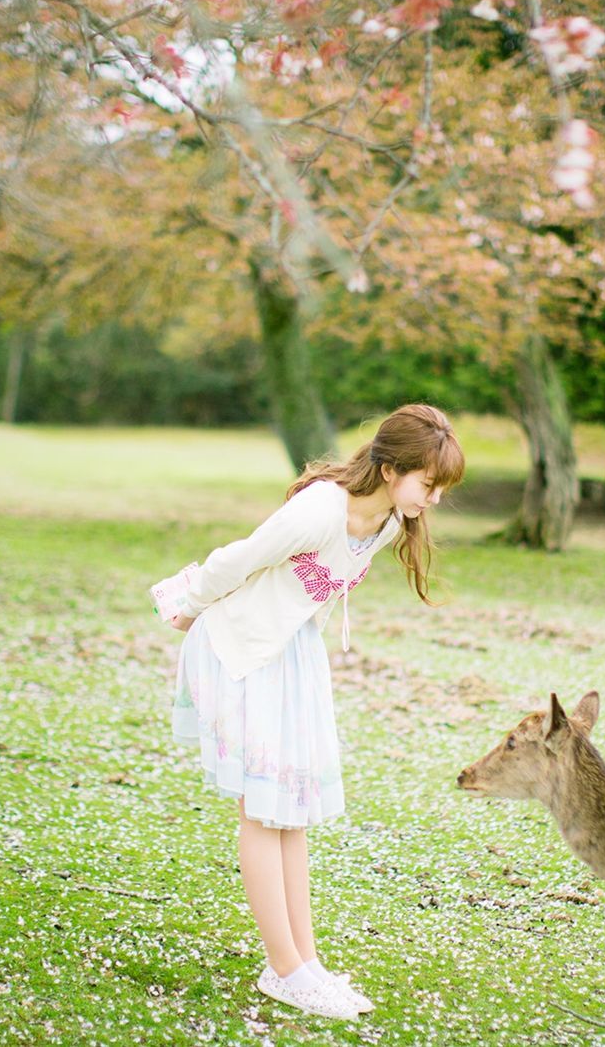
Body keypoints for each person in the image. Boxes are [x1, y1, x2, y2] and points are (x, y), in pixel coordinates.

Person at [166, 404, 465, 1020]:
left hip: (290, 655)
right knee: (262, 808)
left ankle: (305, 963)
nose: (433, 500)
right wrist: (189, 607)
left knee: (291, 810)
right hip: (239, 651)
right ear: (390, 469)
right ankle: (284, 971)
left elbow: (314, 597)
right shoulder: (317, 511)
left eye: (439, 489)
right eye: (428, 484)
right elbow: (238, 559)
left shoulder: (384, 524)